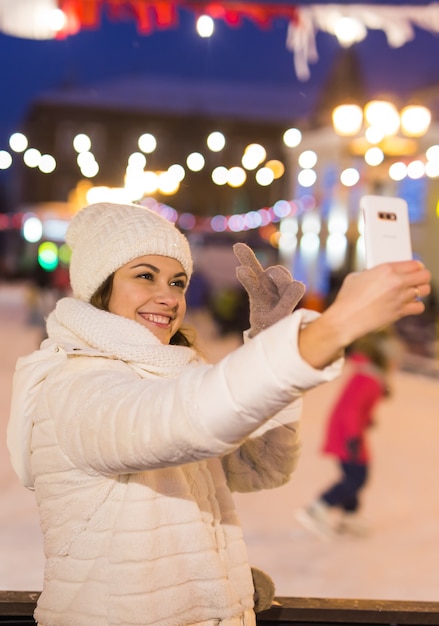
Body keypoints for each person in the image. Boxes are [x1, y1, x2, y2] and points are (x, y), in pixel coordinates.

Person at [7, 202, 431, 626]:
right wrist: (336, 325)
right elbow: (189, 420)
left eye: (178, 281)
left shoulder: (172, 374)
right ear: (100, 284)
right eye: (144, 276)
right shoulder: (76, 387)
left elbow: (262, 465)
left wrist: (269, 337)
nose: (169, 297)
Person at [295, 329, 403, 539]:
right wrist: (353, 436)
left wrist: (367, 420)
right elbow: (350, 409)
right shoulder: (368, 379)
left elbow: (356, 407)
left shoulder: (369, 376)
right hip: (347, 433)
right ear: (383, 358)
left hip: (348, 430)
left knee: (354, 475)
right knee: (356, 476)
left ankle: (349, 517)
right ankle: (318, 507)